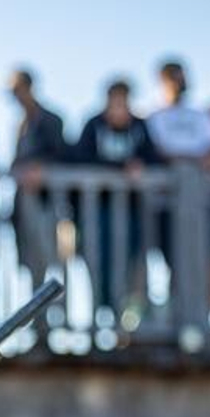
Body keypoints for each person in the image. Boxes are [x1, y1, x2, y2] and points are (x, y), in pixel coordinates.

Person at [73, 79, 162, 322]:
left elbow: (154, 159)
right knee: (98, 260)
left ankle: (128, 316)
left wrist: (140, 166)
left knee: (131, 261)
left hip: (132, 210)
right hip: (98, 211)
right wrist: (121, 167)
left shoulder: (139, 126)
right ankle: (102, 311)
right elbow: (79, 159)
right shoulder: (94, 125)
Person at [8, 68, 69, 281]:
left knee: (53, 257)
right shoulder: (20, 126)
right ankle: (38, 313)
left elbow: (62, 154)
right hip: (24, 204)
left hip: (49, 203)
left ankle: (58, 312)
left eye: (17, 90)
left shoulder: (52, 120)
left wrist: (40, 169)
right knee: (31, 261)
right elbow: (15, 162)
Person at [148, 59, 210, 162]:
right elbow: (159, 148)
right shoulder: (154, 117)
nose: (181, 81)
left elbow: (207, 145)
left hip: (198, 170)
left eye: (182, 77)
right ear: (163, 80)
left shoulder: (199, 115)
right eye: (175, 77)